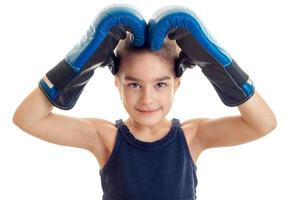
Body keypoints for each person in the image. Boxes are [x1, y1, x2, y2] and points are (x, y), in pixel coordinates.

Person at [12, 5, 277, 200]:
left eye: (160, 84)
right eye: (134, 84)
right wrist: (82, 59)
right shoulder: (105, 137)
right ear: (117, 83)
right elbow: (27, 119)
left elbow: (263, 124)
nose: (147, 99)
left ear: (177, 84)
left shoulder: (192, 136)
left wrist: (215, 61)